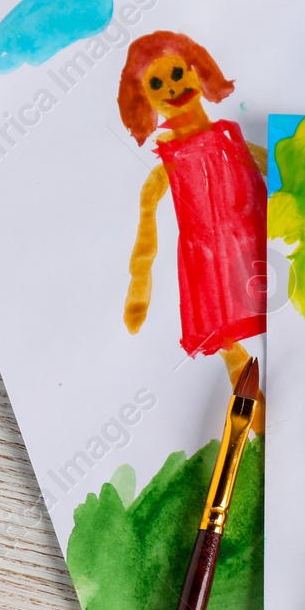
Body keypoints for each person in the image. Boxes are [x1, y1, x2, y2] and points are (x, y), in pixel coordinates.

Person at [116, 31, 266, 389]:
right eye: (157, 83)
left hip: (254, 245)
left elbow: (268, 164)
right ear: (145, 99)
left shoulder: (230, 136)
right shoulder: (167, 161)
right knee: (229, 340)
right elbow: (148, 212)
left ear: (197, 71)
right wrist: (140, 284)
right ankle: (249, 394)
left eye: (177, 73)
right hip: (208, 266)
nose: (171, 88)